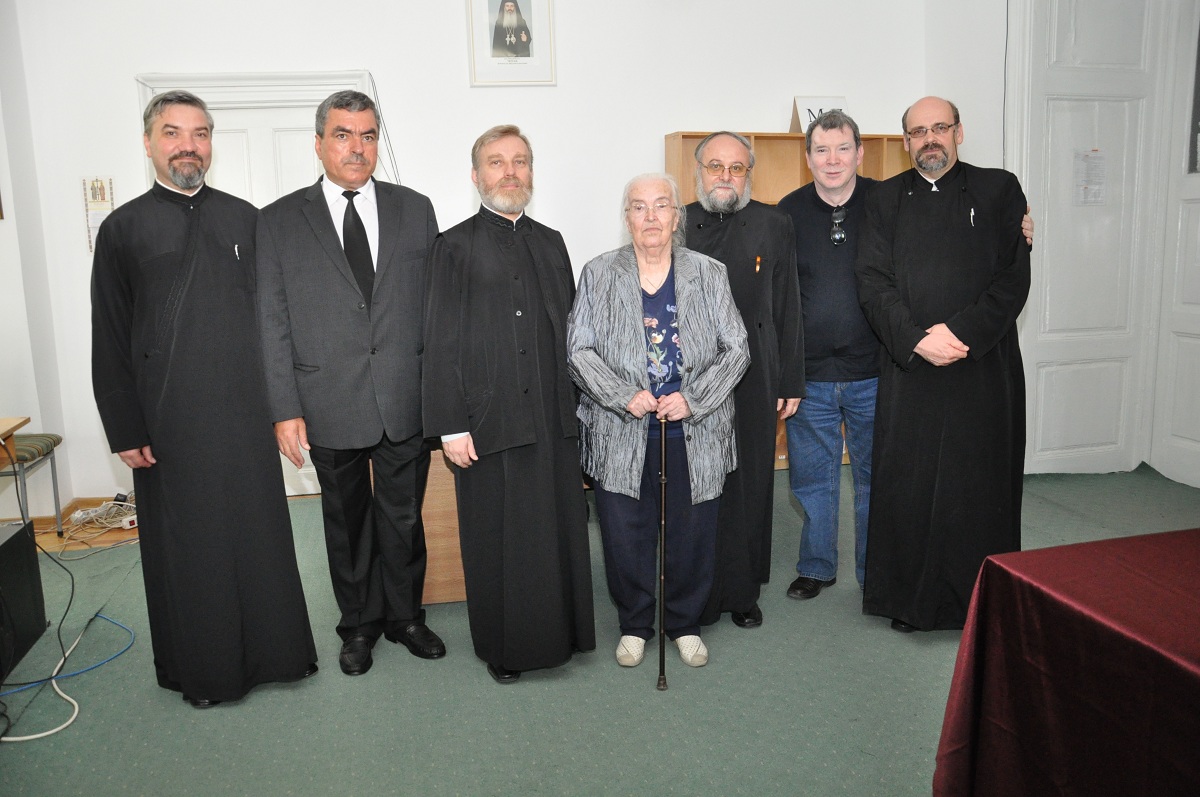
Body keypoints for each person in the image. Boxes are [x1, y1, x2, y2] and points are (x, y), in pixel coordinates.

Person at [91, 91, 317, 708]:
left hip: (246, 413)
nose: (187, 144)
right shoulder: (121, 230)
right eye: (172, 133)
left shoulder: (248, 219)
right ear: (149, 143)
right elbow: (109, 335)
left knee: (259, 534)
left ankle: (280, 657)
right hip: (169, 420)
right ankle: (206, 673)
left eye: (199, 133)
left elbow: (276, 322)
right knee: (188, 547)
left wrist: (284, 406)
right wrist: (123, 425)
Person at [257, 90, 444, 676]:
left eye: (367, 135)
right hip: (327, 397)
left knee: (404, 518)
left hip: (403, 396)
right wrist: (285, 409)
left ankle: (406, 617)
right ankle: (358, 626)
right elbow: (272, 321)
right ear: (319, 143)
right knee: (345, 522)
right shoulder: (279, 220)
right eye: (343, 134)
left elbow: (435, 311)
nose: (356, 147)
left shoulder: (416, 209)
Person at [423, 125, 594, 684]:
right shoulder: (451, 246)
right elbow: (439, 341)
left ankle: (564, 636)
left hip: (551, 416)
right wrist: (450, 424)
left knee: (557, 528)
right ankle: (506, 648)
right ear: (476, 176)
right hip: (487, 420)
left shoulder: (551, 241)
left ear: (531, 172)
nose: (510, 172)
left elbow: (572, 333)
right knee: (500, 538)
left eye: (520, 161)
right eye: (497, 163)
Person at [856, 96, 1030, 632]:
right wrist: (916, 340)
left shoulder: (1000, 188)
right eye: (917, 132)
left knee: (979, 487)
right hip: (912, 367)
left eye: (939, 128)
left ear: (959, 132)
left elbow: (1013, 277)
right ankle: (910, 603)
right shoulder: (884, 199)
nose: (929, 139)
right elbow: (871, 281)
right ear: (905, 141)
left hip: (983, 364)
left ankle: (981, 603)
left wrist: (960, 333)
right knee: (909, 485)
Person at [568, 174, 749, 669]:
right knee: (625, 531)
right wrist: (624, 395)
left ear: (676, 217)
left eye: (661, 206)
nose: (650, 217)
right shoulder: (599, 273)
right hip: (621, 426)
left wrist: (694, 398)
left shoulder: (708, 272)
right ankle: (635, 623)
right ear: (627, 218)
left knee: (692, 530)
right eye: (639, 207)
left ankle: (684, 622)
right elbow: (578, 350)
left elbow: (737, 349)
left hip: (694, 426)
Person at [684, 132, 804, 629]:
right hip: (692, 375)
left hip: (756, 371)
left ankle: (742, 591)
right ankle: (696, 588)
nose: (726, 177)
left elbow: (788, 304)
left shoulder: (775, 223)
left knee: (750, 480)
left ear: (749, 173)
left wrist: (791, 379)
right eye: (716, 167)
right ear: (699, 171)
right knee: (699, 481)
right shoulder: (678, 220)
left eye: (736, 168)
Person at [776, 111, 880, 601]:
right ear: (808, 157)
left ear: (860, 153)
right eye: (822, 150)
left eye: (842, 149)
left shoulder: (887, 204)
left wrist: (1015, 228)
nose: (832, 160)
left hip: (877, 372)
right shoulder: (787, 213)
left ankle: (877, 570)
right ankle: (816, 567)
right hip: (810, 376)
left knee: (875, 481)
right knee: (813, 481)